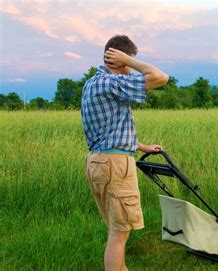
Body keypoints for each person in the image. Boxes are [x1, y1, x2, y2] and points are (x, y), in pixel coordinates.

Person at [81, 34, 169, 271]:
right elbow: (161, 77)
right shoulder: (111, 82)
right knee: (119, 233)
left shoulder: (92, 83)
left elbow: (109, 128)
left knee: (116, 227)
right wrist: (129, 61)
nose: (131, 68)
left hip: (99, 161)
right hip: (115, 165)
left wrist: (141, 146)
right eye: (129, 62)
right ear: (120, 59)